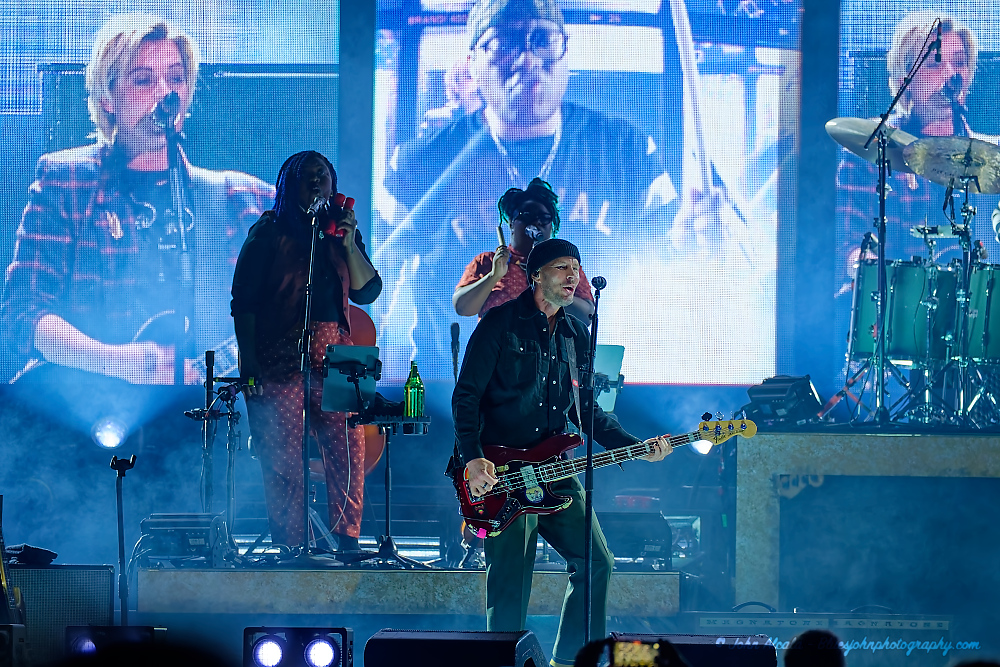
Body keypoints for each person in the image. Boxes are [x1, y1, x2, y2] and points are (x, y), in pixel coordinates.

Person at [375, 0, 688, 379]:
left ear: (566, 54)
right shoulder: (421, 161)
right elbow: (383, 274)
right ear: (472, 62)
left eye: (542, 40)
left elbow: (672, 264)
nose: (526, 59)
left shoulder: (628, 150)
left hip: (568, 380)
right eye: (504, 43)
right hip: (456, 378)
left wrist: (701, 240)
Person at [0, 13, 274, 389]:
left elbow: (289, 318)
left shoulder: (243, 200)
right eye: (143, 80)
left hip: (201, 428)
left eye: (176, 78)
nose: (165, 93)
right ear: (108, 99)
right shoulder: (68, 180)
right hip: (88, 413)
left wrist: (211, 372)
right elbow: (23, 314)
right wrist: (120, 363)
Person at [452, 237, 672, 667]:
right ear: (536, 275)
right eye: (561, 267)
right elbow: (466, 397)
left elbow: (588, 412)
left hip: (553, 468)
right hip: (500, 472)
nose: (572, 276)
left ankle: (572, 661)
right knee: (511, 581)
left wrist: (636, 447)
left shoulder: (577, 334)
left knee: (597, 562)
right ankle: (505, 663)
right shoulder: (500, 323)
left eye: (576, 267)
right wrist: (472, 457)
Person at [231, 151, 382, 553]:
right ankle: (292, 545)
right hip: (280, 350)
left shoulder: (342, 232)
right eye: (306, 175)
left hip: (344, 350)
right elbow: (242, 303)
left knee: (350, 449)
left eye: (323, 175)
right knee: (282, 456)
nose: (316, 181)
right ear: (287, 184)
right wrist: (249, 366)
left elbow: (369, 291)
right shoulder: (268, 231)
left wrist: (349, 243)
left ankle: (348, 540)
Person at [837, 10, 995, 286]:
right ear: (903, 80)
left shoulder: (993, 158)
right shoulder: (872, 148)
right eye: (935, 64)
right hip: (898, 311)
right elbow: (844, 241)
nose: (949, 75)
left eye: (958, 63)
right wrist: (863, 265)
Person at [454, 177, 594, 322]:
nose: (536, 222)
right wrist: (494, 276)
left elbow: (587, 316)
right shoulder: (488, 261)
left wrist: (551, 285)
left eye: (544, 217)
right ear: (511, 223)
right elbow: (462, 307)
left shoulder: (566, 265)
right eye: (527, 216)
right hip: (497, 343)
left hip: (546, 343)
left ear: (552, 226)